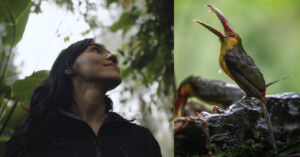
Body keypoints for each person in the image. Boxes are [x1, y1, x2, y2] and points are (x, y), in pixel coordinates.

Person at [4, 38, 162, 157]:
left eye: (108, 52)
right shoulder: (35, 140)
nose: (113, 55)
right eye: (95, 50)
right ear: (69, 67)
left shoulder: (141, 139)